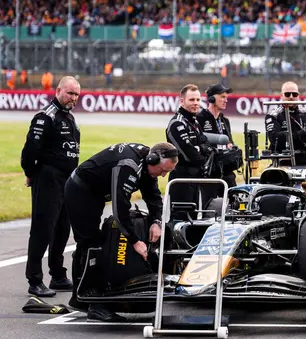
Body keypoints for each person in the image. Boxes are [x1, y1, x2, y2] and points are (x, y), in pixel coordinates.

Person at [65, 142, 177, 321]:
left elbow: (155, 198)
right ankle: (88, 300)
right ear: (152, 160)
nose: (163, 175)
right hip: (81, 191)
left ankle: (92, 296)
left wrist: (156, 222)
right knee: (90, 243)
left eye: (168, 172)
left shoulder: (148, 166)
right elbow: (120, 209)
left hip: (97, 193)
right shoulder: (128, 166)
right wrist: (134, 240)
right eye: (163, 170)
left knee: (98, 242)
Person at [20, 76, 81, 297]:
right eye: (70, 93)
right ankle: (35, 280)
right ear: (58, 91)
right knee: (42, 229)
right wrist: (31, 174)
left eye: (76, 94)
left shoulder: (70, 118)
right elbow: (29, 152)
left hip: (67, 182)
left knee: (63, 230)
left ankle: (58, 274)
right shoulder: (46, 117)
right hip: (47, 180)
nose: (73, 98)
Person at [166, 84, 212, 217]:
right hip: (181, 181)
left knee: (197, 221)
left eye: (198, 100)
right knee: (181, 222)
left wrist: (201, 148)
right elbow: (192, 156)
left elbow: (207, 146)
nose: (196, 103)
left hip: (197, 180)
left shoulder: (194, 122)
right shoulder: (177, 123)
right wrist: (202, 150)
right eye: (192, 100)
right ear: (182, 101)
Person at [197, 83, 239, 204]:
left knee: (234, 205)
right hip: (210, 173)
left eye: (226, 97)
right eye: (222, 97)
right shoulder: (200, 118)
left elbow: (229, 141)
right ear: (211, 98)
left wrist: (232, 147)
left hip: (226, 171)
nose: (226, 100)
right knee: (209, 208)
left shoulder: (224, 121)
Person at [265, 81, 306, 166]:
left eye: (294, 94)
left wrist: (288, 137)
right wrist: (301, 135)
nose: (291, 97)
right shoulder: (273, 115)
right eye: (287, 94)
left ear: (298, 95)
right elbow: (275, 139)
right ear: (282, 95)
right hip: (281, 163)